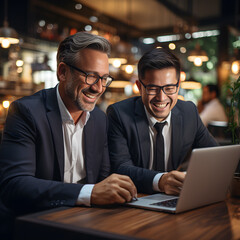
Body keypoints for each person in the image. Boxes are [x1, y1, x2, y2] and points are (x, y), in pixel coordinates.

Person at [0, 32, 136, 239]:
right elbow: (15, 185)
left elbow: (103, 179)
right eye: (91, 76)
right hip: (34, 227)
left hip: (83, 224)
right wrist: (90, 193)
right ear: (63, 72)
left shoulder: (99, 120)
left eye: (104, 78)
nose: (98, 88)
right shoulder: (25, 112)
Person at [107, 47, 218, 195]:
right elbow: (121, 168)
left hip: (175, 199)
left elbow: (215, 155)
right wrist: (160, 181)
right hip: (134, 201)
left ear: (178, 87)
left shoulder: (189, 112)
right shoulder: (119, 114)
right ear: (140, 87)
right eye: (153, 88)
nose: (162, 97)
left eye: (169, 88)